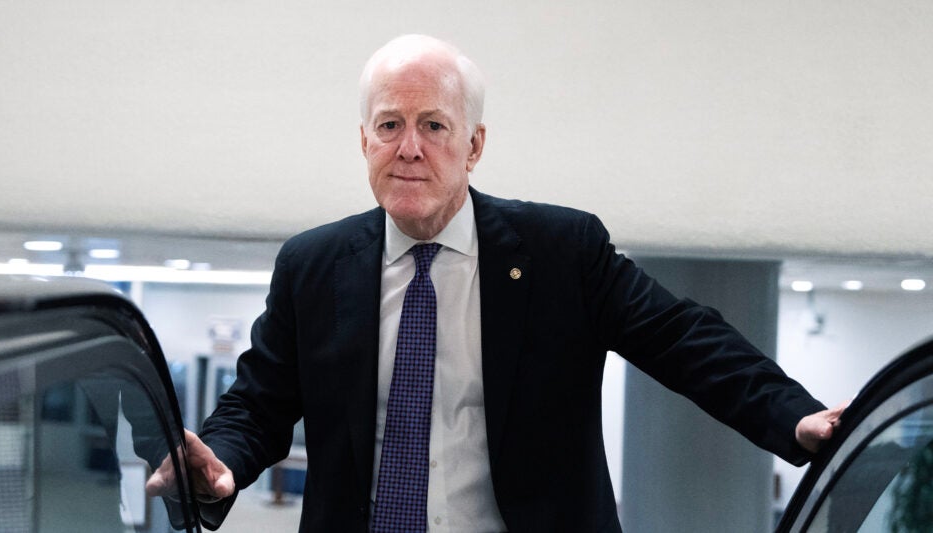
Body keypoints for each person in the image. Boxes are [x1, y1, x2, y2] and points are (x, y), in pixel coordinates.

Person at [147, 34, 846, 531]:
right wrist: (219, 463)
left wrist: (795, 415)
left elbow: (683, 339)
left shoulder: (561, 252)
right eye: (389, 125)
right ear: (364, 141)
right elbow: (258, 405)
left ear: (474, 144)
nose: (409, 148)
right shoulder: (313, 266)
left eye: (434, 125)